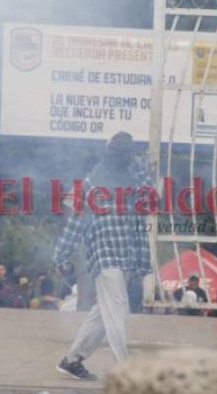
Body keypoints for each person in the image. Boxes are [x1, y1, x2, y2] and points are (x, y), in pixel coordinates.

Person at [53, 132, 153, 380]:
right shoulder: (94, 182)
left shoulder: (134, 173)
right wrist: (61, 254)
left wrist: (139, 167)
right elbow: (77, 221)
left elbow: (146, 203)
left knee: (103, 311)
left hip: (126, 251)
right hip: (104, 252)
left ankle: (71, 360)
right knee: (118, 308)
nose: (123, 158)